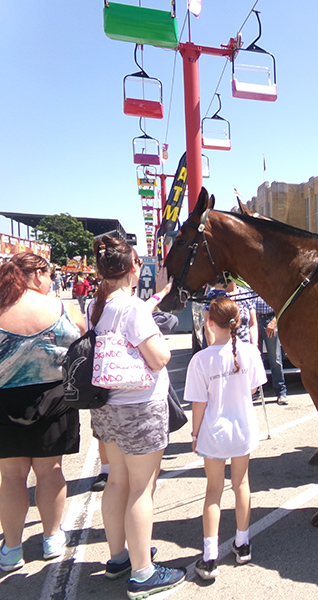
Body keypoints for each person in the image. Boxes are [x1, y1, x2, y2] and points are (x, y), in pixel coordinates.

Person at [86, 236, 186, 597]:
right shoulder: (133, 309)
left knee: (117, 482)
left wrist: (156, 296)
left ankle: (119, 558)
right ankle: (144, 573)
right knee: (143, 488)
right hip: (140, 407)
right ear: (133, 268)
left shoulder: (94, 305)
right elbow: (158, 358)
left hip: (107, 407)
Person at [0, 253, 85, 572]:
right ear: (36, 275)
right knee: (50, 472)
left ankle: (11, 548)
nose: (51, 281)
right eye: (48, 275)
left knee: (10, 478)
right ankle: (51, 538)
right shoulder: (62, 308)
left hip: (4, 402)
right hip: (54, 398)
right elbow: (84, 339)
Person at [184, 298, 267, 580]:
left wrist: (195, 434)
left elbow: (198, 403)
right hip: (243, 428)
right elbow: (254, 388)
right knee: (241, 484)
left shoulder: (201, 359)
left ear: (209, 323)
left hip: (214, 432)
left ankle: (209, 556)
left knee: (213, 491)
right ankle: (242, 543)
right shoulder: (250, 352)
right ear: (238, 322)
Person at [204, 275, 257, 346]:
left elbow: (252, 324)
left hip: (245, 347)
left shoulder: (245, 294)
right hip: (220, 348)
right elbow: (208, 325)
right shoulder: (213, 295)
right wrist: (212, 349)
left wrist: (254, 346)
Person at [255, 295, 288, 405]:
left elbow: (281, 304)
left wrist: (274, 322)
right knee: (254, 359)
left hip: (270, 320)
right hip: (254, 321)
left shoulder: (269, 283)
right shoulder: (249, 284)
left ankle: (281, 392)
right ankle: (255, 391)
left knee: (275, 359)